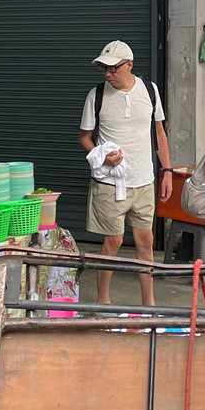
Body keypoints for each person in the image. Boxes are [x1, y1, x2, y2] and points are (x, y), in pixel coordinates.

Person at [79, 40, 172, 305]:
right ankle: (103, 302)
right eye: (104, 69)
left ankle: (149, 304)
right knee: (114, 241)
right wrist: (101, 156)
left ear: (129, 64)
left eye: (113, 68)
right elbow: (84, 137)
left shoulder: (150, 91)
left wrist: (167, 171)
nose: (108, 74)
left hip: (144, 181)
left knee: (146, 241)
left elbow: (160, 133)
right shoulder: (96, 95)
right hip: (110, 183)